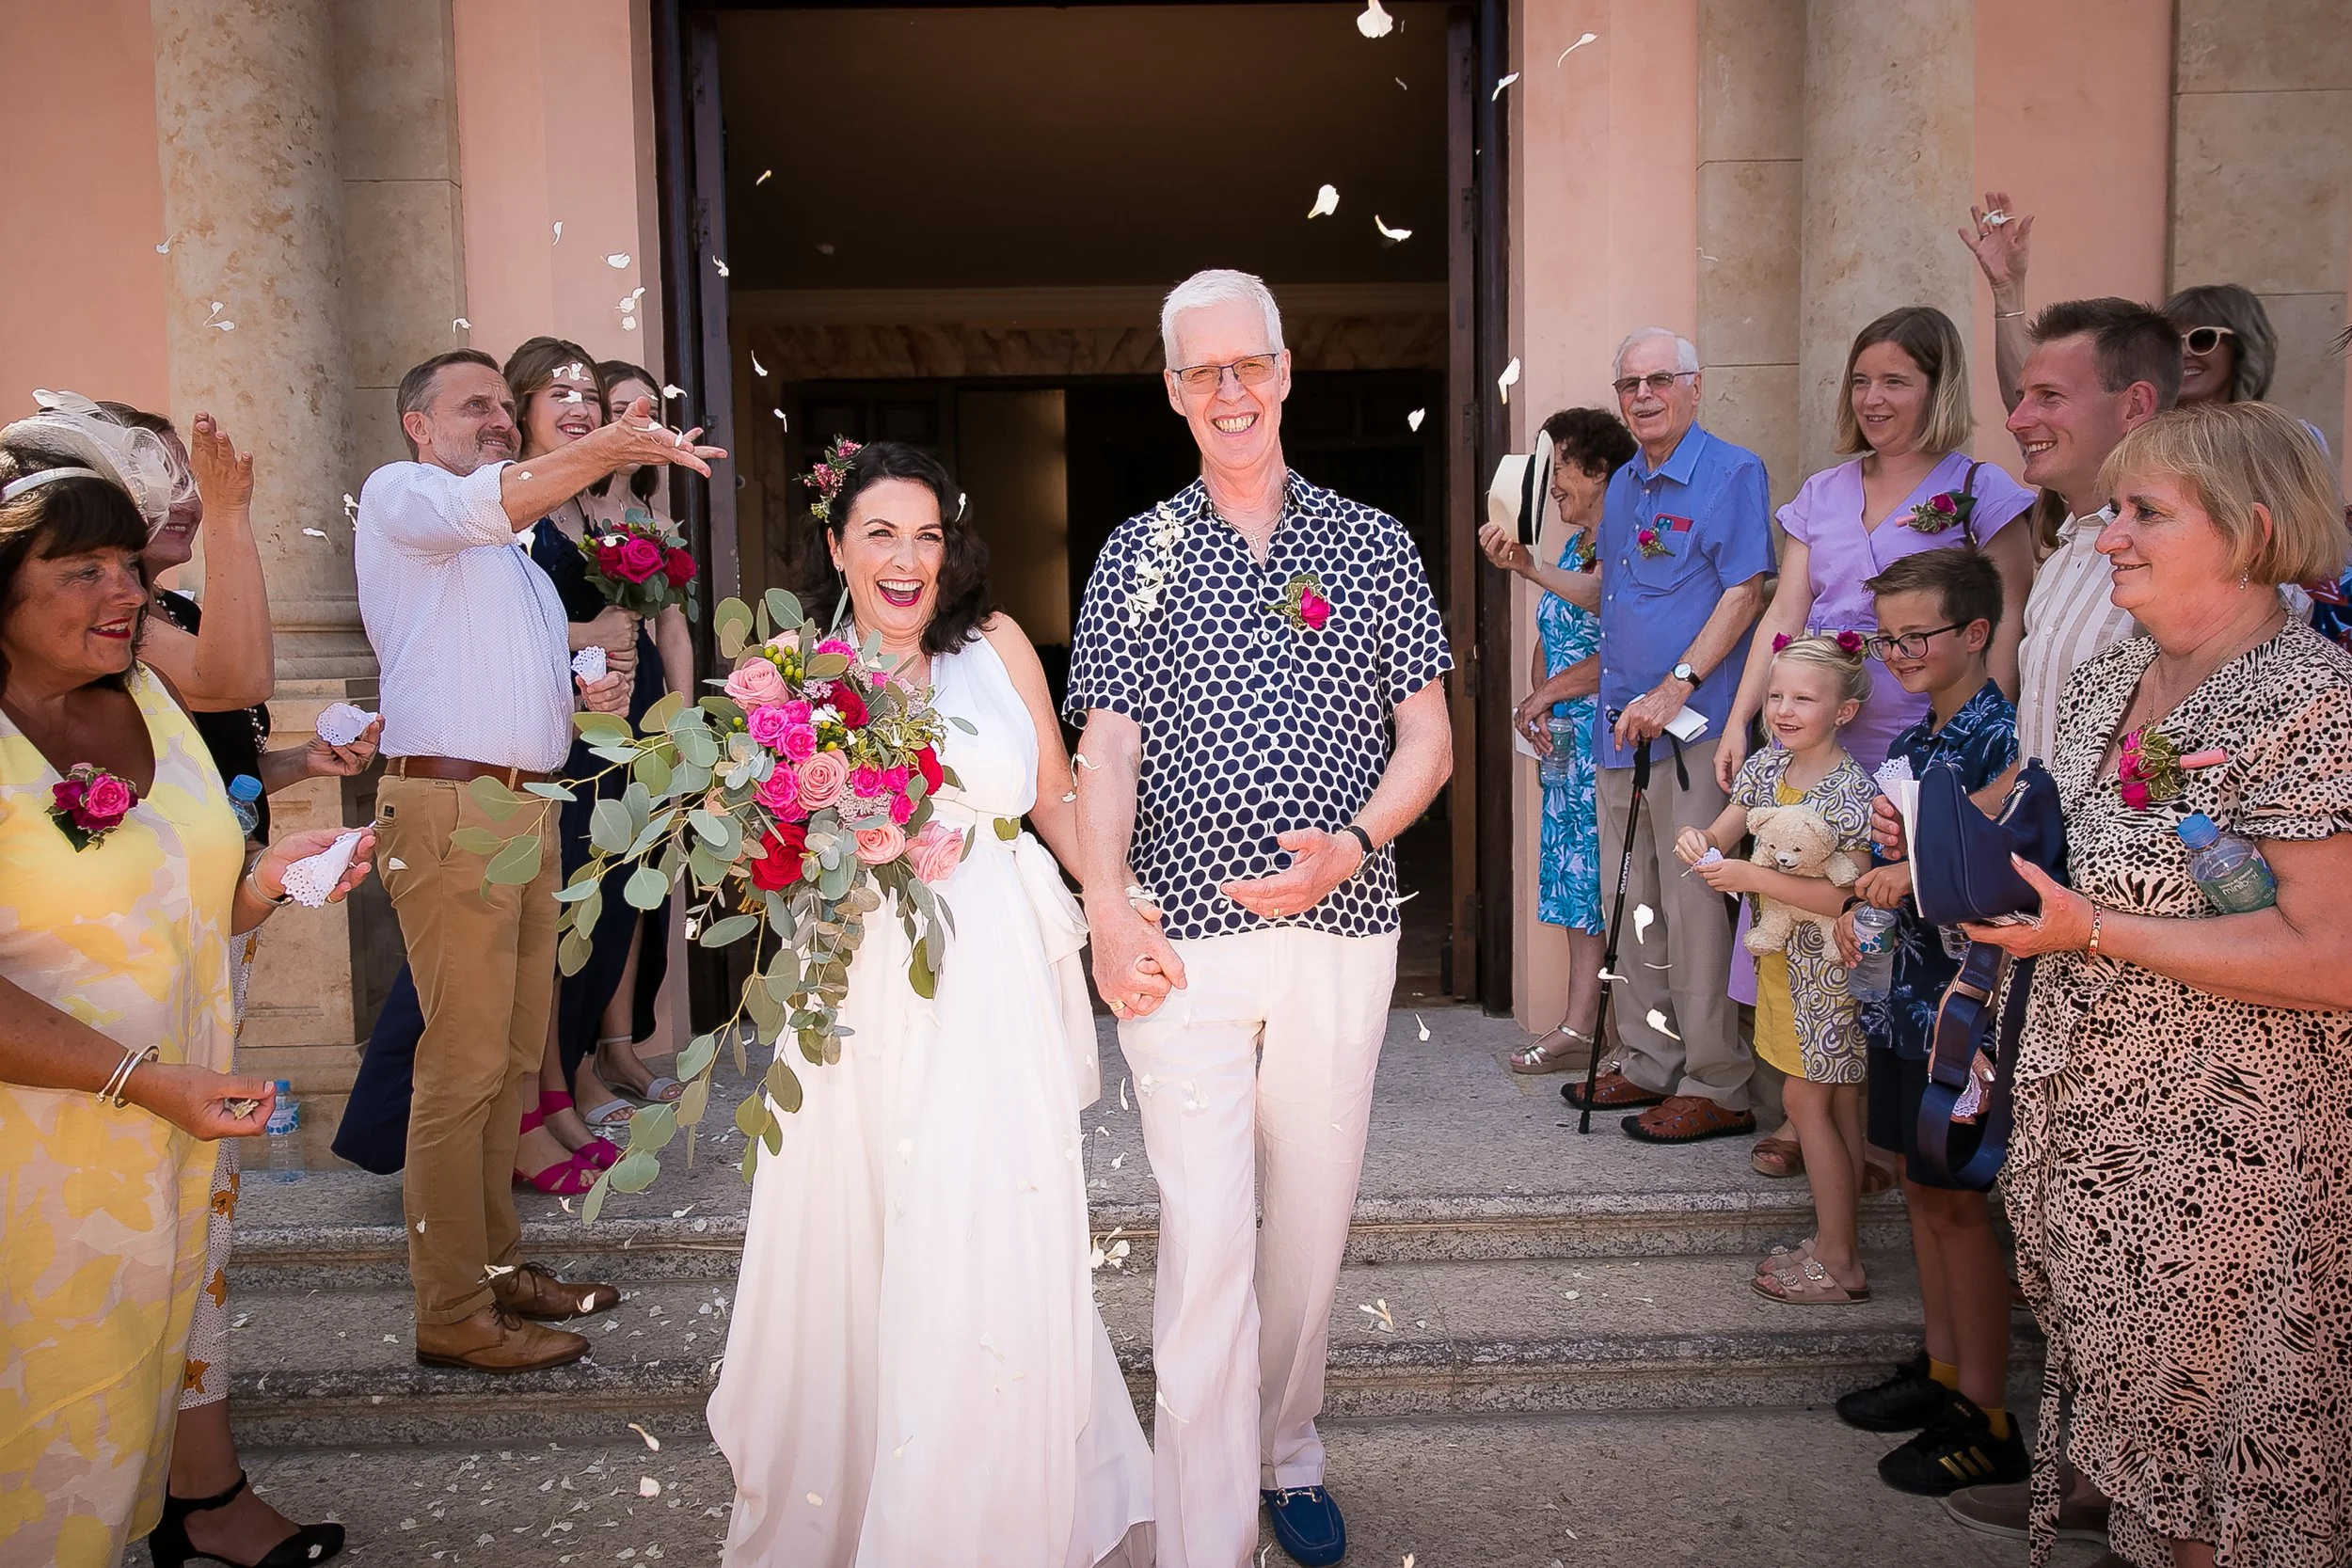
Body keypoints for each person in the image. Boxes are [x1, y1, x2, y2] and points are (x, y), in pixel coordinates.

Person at [1067, 269, 1453, 1568]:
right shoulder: (1136, 552)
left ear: (1286, 370)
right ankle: (1203, 1530)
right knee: (1208, 1230)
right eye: (1201, 371)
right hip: (1181, 940)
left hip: (1343, 932)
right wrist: (1106, 902)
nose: (1229, 390)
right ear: (1173, 390)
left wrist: (1354, 839)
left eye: (1249, 365)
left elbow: (1432, 740)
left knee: (1309, 1223)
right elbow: (1105, 747)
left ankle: (1287, 1447)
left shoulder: (1373, 542)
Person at [708, 440, 1152, 1567]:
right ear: (836, 548)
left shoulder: (996, 645)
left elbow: (1055, 794)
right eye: (881, 535)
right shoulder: (799, 672)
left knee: (984, 1204)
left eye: (927, 536)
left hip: (994, 959)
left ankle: (982, 1500)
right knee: (863, 1207)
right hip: (859, 968)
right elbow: (759, 846)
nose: (907, 561)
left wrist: (1111, 905)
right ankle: (862, 1490)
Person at [1958, 402, 2352, 1568]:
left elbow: (2330, 956)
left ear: (2253, 528)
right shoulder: (2108, 680)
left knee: (2217, 1492)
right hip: (2097, 1136)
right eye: (2111, 508)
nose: (2108, 534)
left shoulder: (2313, 701)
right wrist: (1948, 841)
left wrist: (2095, 934)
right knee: (2141, 1472)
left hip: (2233, 1170)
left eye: (2145, 512)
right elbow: (2072, 845)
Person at [0, 439, 372, 1567]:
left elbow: (186, 908)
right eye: (85, 570)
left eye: (130, 562)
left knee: (123, 1419)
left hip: (170, 1146)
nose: (128, 591)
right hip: (36, 1163)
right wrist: (145, 1082)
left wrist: (263, 881)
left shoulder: (154, 703)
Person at [354, 348, 717, 1373]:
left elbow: (501, 669)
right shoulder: (405, 495)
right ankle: (451, 1307)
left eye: (498, 409)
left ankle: (497, 1267)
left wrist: (574, 691)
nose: (499, 422)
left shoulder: (506, 549)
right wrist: (611, 441)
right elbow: (489, 501)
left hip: (523, 808)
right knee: (459, 1064)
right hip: (451, 807)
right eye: (475, 407)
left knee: (510, 1059)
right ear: (419, 425)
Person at [1830, 548, 2026, 1497]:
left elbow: (2000, 874)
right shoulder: (1916, 735)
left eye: (1917, 635)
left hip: (1965, 1006)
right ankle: (1942, 1369)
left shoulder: (1999, 741)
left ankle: (1984, 1413)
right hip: (1907, 994)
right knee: (1919, 1187)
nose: (1898, 653)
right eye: (1886, 637)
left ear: (1976, 631)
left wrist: (1904, 873)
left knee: (1956, 1203)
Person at [1551, 327, 1772, 1144]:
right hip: (1621, 732)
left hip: (1692, 729)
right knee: (1634, 903)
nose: (1642, 396)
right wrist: (1528, 568)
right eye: (1628, 385)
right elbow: (1611, 596)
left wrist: (1675, 682)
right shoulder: (1624, 490)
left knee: (1692, 907)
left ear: (1693, 385)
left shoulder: (1732, 472)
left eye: (1658, 380)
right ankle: (1648, 1060)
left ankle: (1717, 1079)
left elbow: (1746, 592)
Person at [501, 338, 690, 1187]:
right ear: (521, 405)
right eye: (563, 391)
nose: (581, 404)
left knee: (599, 907)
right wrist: (585, 643)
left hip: (606, 717)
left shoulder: (591, 508)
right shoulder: (513, 506)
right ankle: (541, 1101)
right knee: (555, 918)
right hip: (547, 734)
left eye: (589, 391)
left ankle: (562, 1086)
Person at [1676, 635, 1877, 1302]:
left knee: (1805, 1100)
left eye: (1803, 698)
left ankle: (1839, 1260)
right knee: (1838, 1101)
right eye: (1774, 695)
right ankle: (1836, 1240)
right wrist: (1698, 843)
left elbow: (1850, 898)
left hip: (1828, 969)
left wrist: (1749, 875)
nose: (1783, 709)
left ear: (1844, 711)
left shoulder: (1853, 792)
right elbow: (1722, 833)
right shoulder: (1765, 767)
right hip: (1780, 968)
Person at [1477, 407, 1636, 1072]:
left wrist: (1545, 693)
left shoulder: (1626, 538)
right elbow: (1553, 633)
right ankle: (1580, 1023)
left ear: (1597, 470)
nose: (1551, 487)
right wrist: (1539, 695)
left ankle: (1627, 1032)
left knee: (1612, 884)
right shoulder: (1573, 544)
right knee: (1575, 883)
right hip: (1565, 743)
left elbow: (1621, 643)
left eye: (1560, 469)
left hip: (1610, 737)